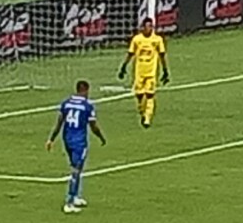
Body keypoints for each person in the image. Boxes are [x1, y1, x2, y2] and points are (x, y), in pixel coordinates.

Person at [46, 79, 106, 212]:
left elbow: (59, 123)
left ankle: (76, 196)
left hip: (66, 139)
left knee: (76, 168)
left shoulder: (66, 103)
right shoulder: (87, 106)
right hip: (79, 142)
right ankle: (69, 203)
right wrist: (101, 137)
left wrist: (51, 139)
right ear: (85, 90)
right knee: (76, 170)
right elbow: (93, 126)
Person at [118, 16, 169, 127]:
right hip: (139, 72)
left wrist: (165, 71)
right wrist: (123, 67)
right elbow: (130, 54)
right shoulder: (137, 39)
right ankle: (142, 112)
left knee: (150, 95)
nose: (149, 29)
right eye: (146, 27)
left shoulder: (157, 40)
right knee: (139, 96)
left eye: (151, 27)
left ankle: (147, 118)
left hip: (151, 72)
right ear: (142, 28)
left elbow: (162, 56)